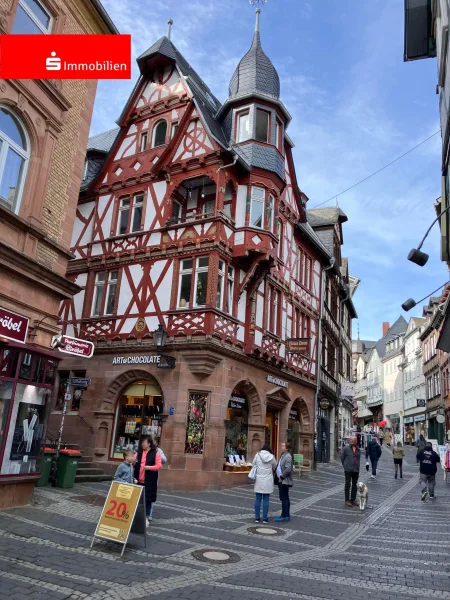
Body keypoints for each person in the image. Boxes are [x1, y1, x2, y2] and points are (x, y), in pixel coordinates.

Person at [134, 436, 162, 525]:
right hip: (138, 480)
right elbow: (134, 461)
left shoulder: (155, 453)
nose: (142, 444)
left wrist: (149, 467)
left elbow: (158, 466)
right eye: (142, 442)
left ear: (149, 444)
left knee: (148, 500)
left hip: (149, 481)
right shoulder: (139, 452)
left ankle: (146, 517)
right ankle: (136, 517)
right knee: (137, 500)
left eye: (144, 442)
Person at [252, 443, 277, 523]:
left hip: (259, 479)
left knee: (258, 499)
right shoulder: (271, 457)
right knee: (266, 499)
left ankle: (257, 517)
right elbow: (275, 467)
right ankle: (265, 518)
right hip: (268, 479)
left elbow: (253, 465)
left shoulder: (257, 455)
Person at [275, 442, 293, 522]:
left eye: (283, 446)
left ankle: (284, 515)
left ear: (286, 448)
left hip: (284, 480)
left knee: (284, 498)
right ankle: (286, 515)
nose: (281, 447)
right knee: (284, 497)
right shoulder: (283, 455)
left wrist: (282, 477)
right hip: (281, 479)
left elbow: (288, 469)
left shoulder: (288, 456)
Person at [341, 435, 361, 507]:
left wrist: (358, 468)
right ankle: (347, 500)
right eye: (351, 441)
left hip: (355, 470)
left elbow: (358, 459)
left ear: (356, 441)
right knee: (347, 484)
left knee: (354, 485)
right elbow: (342, 458)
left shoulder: (358, 449)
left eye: (354, 441)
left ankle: (353, 499)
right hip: (348, 469)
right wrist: (345, 466)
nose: (352, 443)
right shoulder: (346, 448)